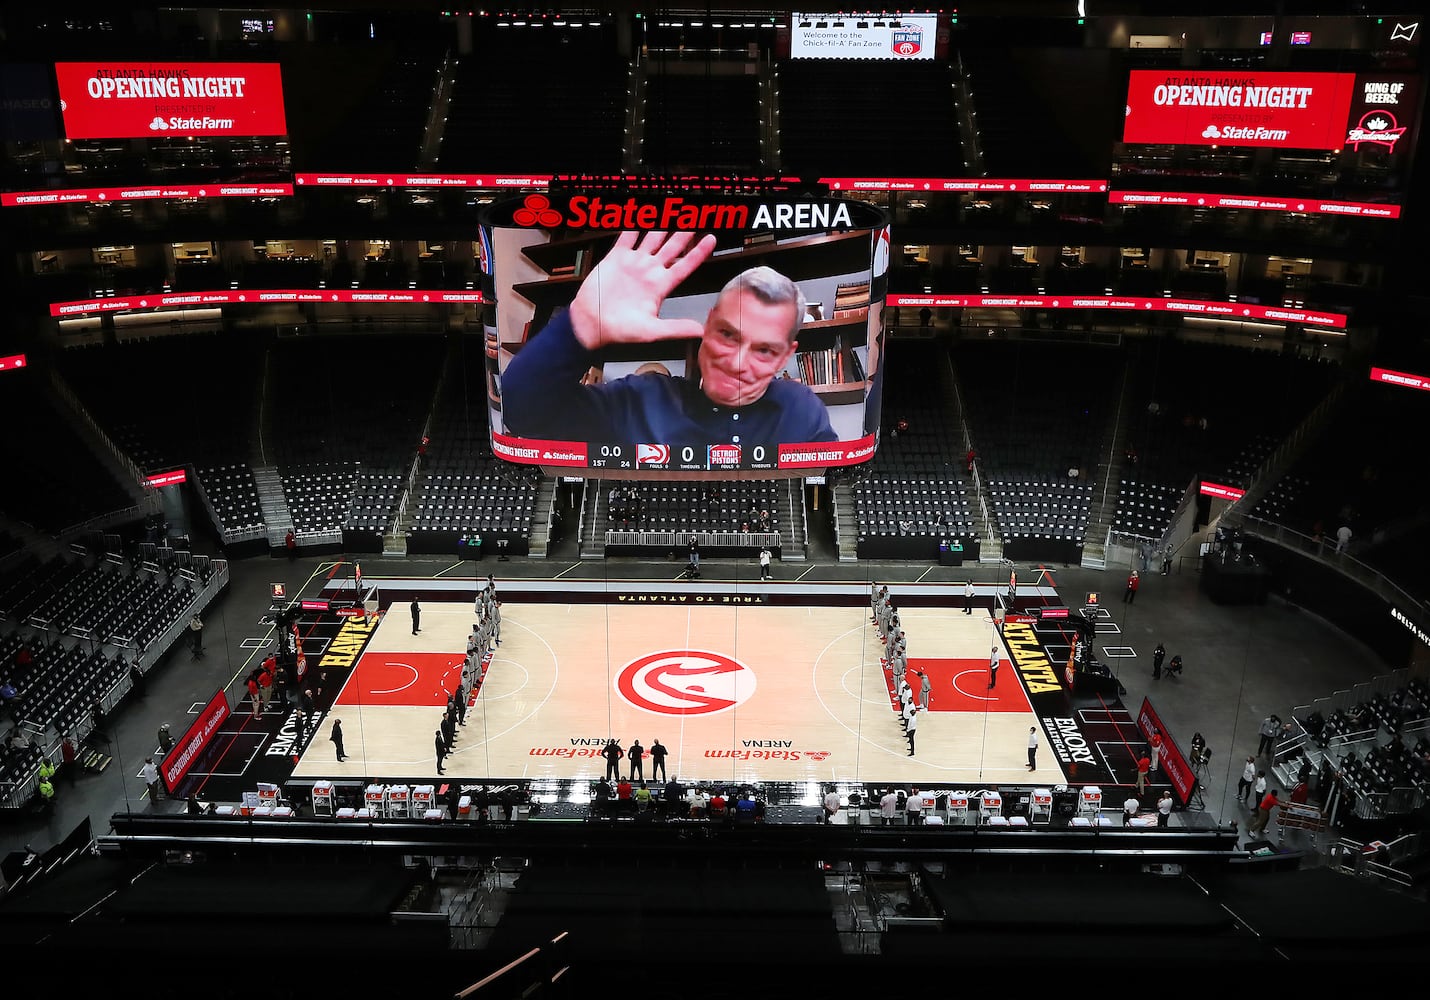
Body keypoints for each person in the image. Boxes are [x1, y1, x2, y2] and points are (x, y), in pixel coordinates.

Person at [501, 232, 838, 446]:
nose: (737, 363)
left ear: (785, 356)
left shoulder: (801, 409)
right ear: (708, 324)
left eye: (764, 350)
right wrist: (579, 327)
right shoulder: (640, 399)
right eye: (727, 334)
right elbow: (521, 414)